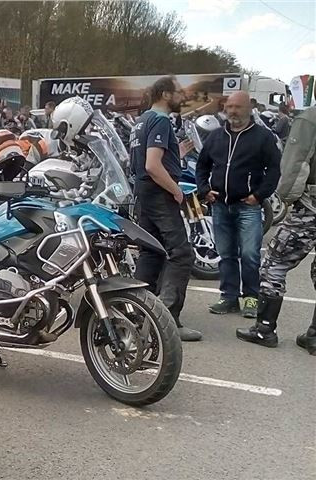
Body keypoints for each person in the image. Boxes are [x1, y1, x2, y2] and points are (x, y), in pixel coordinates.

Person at [236, 106, 316, 354]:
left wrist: (286, 196)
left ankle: (264, 329)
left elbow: (295, 161)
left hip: (311, 206)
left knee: (273, 263)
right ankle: (314, 336)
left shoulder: (310, 118)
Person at [195, 91, 281, 318]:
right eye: (229, 106)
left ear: (249, 108)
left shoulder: (263, 137)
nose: (232, 111)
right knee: (226, 254)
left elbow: (274, 170)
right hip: (220, 206)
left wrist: (259, 195)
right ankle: (229, 297)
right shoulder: (216, 136)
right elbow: (202, 166)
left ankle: (251, 297)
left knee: (250, 254)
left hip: (248, 206)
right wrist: (204, 190)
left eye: (237, 107)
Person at [129, 75, 202, 341]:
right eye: (178, 92)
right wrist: (176, 190)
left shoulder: (141, 121)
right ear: (166, 94)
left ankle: (138, 313)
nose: (182, 96)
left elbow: (141, 162)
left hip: (143, 193)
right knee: (181, 253)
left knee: (151, 252)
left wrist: (175, 154)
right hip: (159, 193)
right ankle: (168, 320)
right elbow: (152, 165)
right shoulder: (160, 121)